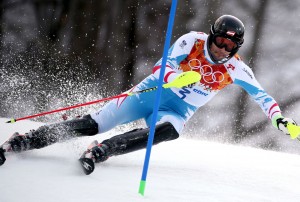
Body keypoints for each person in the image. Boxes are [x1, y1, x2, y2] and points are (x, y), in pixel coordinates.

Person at [0, 15, 297, 169]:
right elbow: (161, 64)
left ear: (237, 48)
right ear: (211, 35)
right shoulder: (192, 41)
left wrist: (278, 120)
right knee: (95, 123)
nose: (221, 49)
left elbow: (263, 97)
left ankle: (104, 150)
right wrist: (176, 77)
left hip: (175, 111)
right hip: (149, 93)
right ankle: (24, 140)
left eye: (229, 46)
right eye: (219, 41)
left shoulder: (237, 69)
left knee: (169, 130)